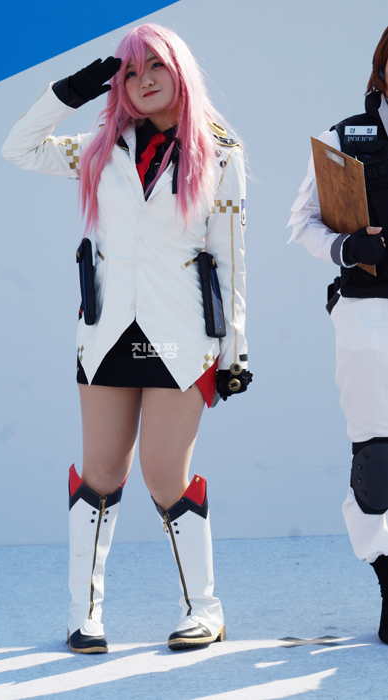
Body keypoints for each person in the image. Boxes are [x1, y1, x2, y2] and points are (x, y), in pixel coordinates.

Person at [2, 23, 250, 654]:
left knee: (165, 476)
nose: (144, 81)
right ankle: (82, 615)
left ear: (179, 70)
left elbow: (230, 256)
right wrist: (71, 92)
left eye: (156, 66)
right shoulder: (99, 147)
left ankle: (204, 610)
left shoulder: (220, 152)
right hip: (107, 330)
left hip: (182, 337)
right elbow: (18, 148)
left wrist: (236, 351)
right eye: (131, 72)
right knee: (101, 473)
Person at [288, 26, 388, 645]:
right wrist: (348, 248)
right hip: (369, 316)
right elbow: (301, 223)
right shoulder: (343, 140)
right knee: (377, 460)